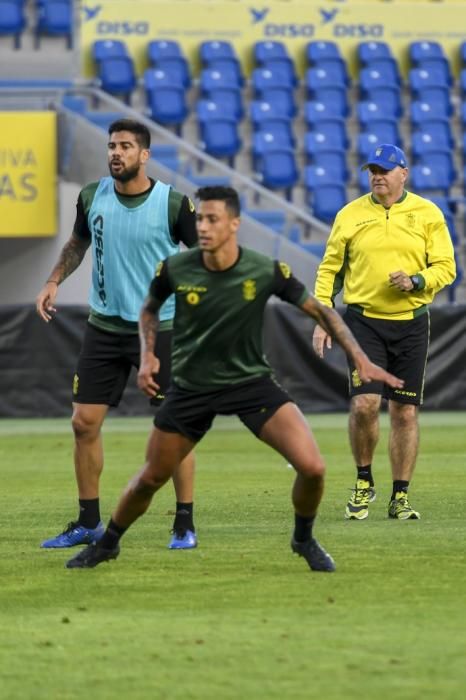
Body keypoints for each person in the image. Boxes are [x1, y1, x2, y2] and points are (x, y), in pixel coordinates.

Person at [64, 185, 404, 571]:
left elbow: (320, 310)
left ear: (234, 224)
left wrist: (360, 358)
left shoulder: (263, 269)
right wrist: (146, 358)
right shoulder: (175, 268)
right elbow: (148, 311)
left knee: (313, 468)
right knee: (148, 480)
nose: (203, 227)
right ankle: (108, 543)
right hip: (192, 387)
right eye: (200, 220)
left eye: (212, 219)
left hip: (250, 384)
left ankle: (303, 538)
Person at [35, 118, 198, 550]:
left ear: (144, 155)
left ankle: (184, 522)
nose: (116, 152)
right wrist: (53, 281)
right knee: (83, 423)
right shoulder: (92, 197)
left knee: (175, 426)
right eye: (111, 145)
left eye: (126, 146)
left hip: (159, 329)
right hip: (104, 327)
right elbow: (76, 244)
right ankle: (89, 521)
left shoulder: (172, 204)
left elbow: (203, 260)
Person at [312, 143, 456, 521]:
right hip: (364, 321)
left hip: (411, 322)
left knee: (405, 412)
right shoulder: (350, 214)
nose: (377, 175)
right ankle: (363, 481)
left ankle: (400, 495)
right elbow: (330, 270)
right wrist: (322, 315)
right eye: (372, 169)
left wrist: (417, 280)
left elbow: (446, 266)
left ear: (403, 174)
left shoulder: (427, 213)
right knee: (365, 404)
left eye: (385, 169)